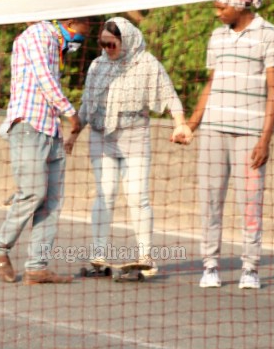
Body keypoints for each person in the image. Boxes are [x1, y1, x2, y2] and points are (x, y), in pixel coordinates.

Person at [66, 17, 190, 276]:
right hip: (102, 137)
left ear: (127, 40)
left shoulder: (145, 63)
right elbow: (87, 105)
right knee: (105, 194)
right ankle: (98, 255)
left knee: (137, 197)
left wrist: (180, 123)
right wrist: (73, 136)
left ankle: (146, 256)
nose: (107, 49)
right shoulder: (97, 66)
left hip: (134, 135)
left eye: (112, 45)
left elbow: (170, 95)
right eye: (103, 44)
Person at [178, 0, 274, 290]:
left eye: (221, 8)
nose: (217, 14)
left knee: (250, 203)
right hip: (213, 131)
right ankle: (210, 265)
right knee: (210, 201)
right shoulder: (216, 37)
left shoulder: (271, 35)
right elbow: (212, 83)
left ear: (240, 5)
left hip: (250, 134)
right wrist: (191, 124)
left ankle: (250, 267)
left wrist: (265, 139)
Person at [0, 17, 92, 285]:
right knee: (33, 192)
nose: (78, 43)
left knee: (52, 201)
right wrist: (70, 112)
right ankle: (0, 245)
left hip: (51, 129)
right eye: (79, 35)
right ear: (70, 22)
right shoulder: (38, 34)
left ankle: (37, 266)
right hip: (29, 125)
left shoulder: (56, 44)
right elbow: (44, 77)